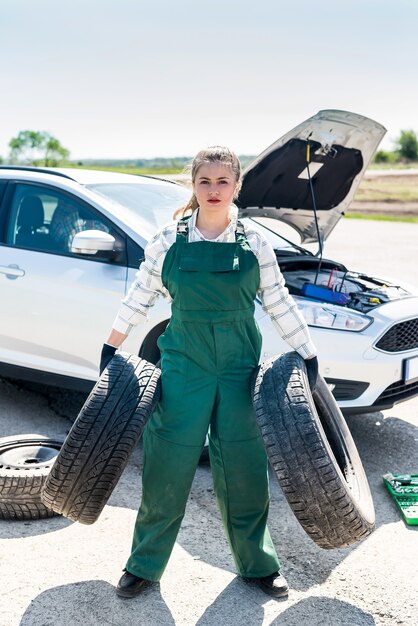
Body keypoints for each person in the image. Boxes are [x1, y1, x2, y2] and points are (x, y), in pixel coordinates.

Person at [100, 146, 318, 599]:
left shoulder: (254, 242)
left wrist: (307, 352)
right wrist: (111, 345)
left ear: (237, 186)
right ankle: (143, 565)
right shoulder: (169, 240)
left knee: (244, 468)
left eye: (223, 182)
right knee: (167, 465)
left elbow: (278, 300)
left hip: (239, 367)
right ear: (193, 186)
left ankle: (258, 564)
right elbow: (139, 295)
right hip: (183, 365)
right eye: (205, 181)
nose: (213, 190)